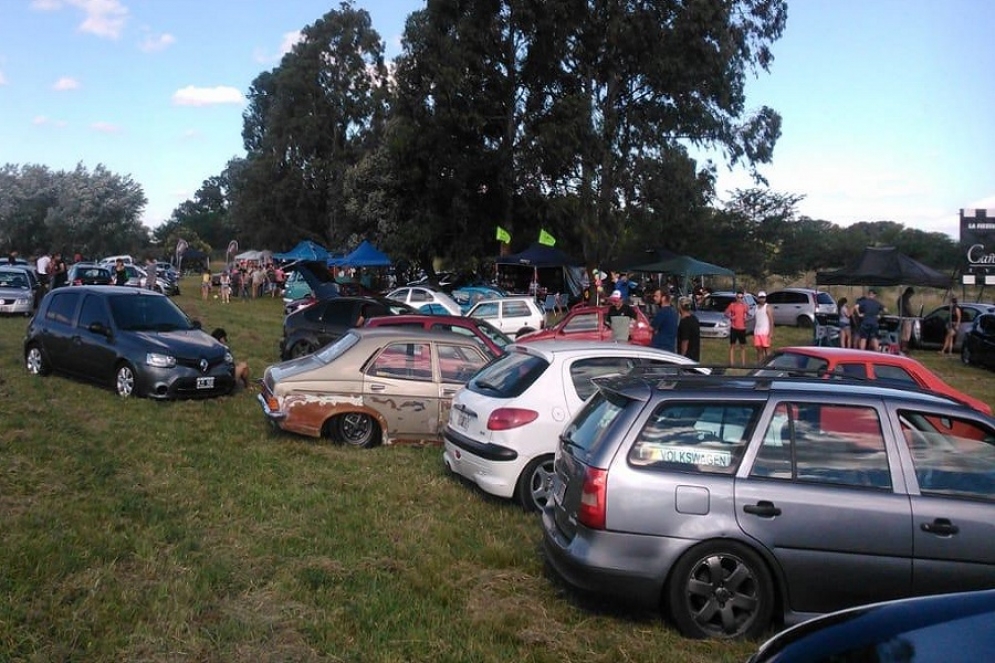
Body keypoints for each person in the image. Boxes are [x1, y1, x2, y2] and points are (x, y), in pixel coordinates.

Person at [724, 289, 750, 366]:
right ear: (736, 297)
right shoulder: (732, 305)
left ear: (743, 298)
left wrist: (746, 318)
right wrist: (731, 317)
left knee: (742, 346)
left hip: (742, 328)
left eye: (741, 297)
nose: (740, 299)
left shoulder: (745, 306)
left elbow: (748, 314)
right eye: (738, 297)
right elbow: (725, 313)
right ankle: (732, 363)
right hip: (734, 328)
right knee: (732, 345)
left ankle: (743, 364)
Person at [650, 288, 678, 352]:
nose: (654, 298)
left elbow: (651, 328)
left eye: (656, 296)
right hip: (670, 347)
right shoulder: (673, 312)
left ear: (663, 298)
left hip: (661, 348)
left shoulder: (663, 312)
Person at [752, 290, 775, 362]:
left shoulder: (767, 307)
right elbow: (755, 320)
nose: (762, 299)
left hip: (765, 333)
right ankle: (760, 365)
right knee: (759, 350)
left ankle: (769, 364)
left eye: (763, 297)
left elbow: (771, 321)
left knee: (767, 349)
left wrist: (770, 333)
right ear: (758, 298)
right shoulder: (756, 307)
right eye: (760, 297)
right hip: (757, 332)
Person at [676, 296, 701, 361]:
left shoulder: (684, 322)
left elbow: (685, 341)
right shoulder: (694, 319)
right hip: (695, 356)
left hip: (687, 358)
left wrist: (681, 358)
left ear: (679, 307)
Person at [898, 287, 915, 353]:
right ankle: (904, 348)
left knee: (903, 333)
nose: (911, 296)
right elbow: (908, 309)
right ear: (909, 293)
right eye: (911, 295)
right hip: (906, 318)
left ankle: (903, 347)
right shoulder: (904, 299)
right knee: (906, 334)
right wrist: (913, 315)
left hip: (902, 317)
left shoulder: (900, 298)